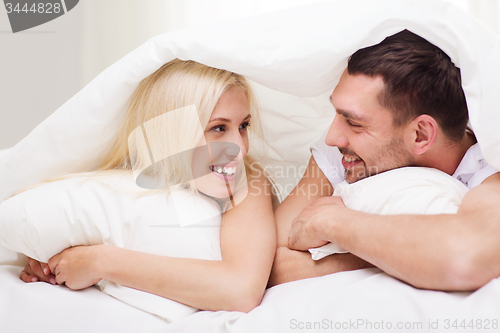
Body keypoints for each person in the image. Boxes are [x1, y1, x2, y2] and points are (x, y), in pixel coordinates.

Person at [19, 59, 276, 312]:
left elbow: (240, 290)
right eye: (218, 128)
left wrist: (99, 261)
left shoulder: (248, 178)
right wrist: (52, 262)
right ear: (171, 132)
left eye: (244, 126)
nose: (240, 149)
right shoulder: (128, 182)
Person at [269, 30, 500, 291]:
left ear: (421, 134)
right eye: (338, 114)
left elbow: (464, 258)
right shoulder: (345, 150)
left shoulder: (488, 172)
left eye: (354, 123)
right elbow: (264, 265)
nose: (332, 138)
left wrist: (330, 221)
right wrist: (400, 256)